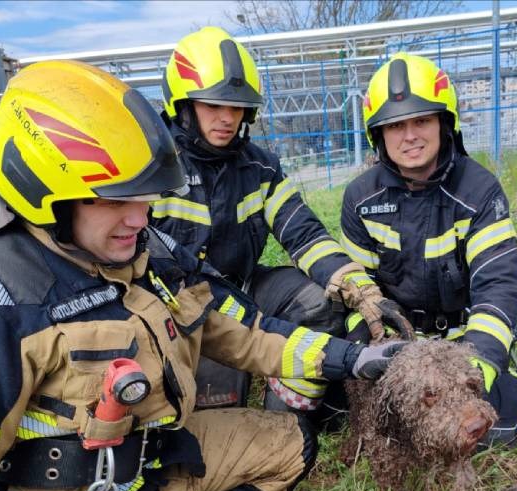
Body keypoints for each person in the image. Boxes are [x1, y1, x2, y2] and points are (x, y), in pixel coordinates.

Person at [0, 60, 400, 491]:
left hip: (160, 463)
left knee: (292, 446)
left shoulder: (149, 251)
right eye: (114, 200)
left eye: (145, 197)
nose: (139, 217)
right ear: (44, 194)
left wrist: (355, 358)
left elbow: (243, 329)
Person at [152, 26, 410, 420]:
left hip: (242, 288)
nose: (227, 118)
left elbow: (304, 233)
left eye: (236, 107)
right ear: (183, 105)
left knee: (317, 303)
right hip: (172, 309)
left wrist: (363, 292)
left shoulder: (259, 167)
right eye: (213, 105)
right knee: (205, 408)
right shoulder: (152, 169)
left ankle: (290, 419)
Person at [340, 52, 517, 449]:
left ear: (445, 124)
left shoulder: (479, 192)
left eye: (422, 120)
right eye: (395, 125)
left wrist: (475, 370)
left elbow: (500, 285)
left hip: (463, 344)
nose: (410, 135)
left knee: (496, 432)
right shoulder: (360, 199)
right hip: (401, 347)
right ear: (379, 135)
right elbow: (358, 293)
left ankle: (507, 384)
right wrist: (378, 356)